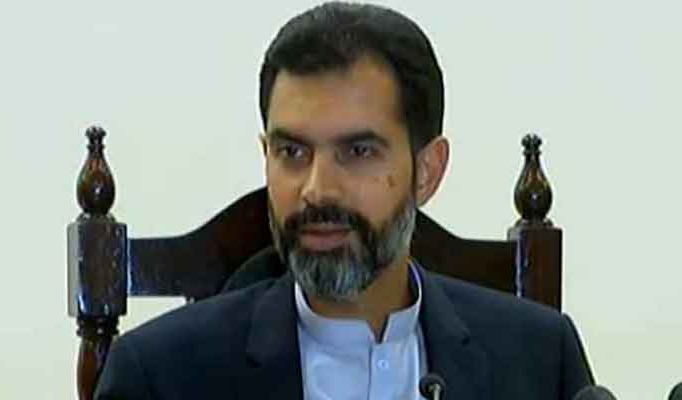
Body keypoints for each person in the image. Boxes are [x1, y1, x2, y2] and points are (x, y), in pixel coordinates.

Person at [95, 2, 593, 399]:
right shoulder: (160, 375)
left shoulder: (539, 358)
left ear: (427, 171)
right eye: (292, 152)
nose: (317, 189)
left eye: (358, 152)